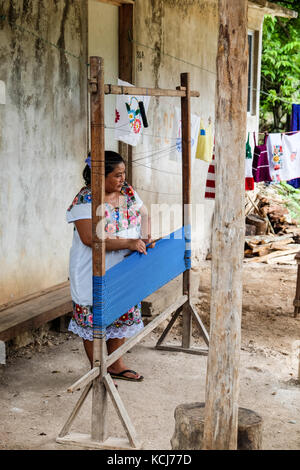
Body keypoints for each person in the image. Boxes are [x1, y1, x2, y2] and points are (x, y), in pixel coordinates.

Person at [66, 151, 155, 382]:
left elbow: (144, 213)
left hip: (123, 267)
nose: (122, 179)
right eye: (117, 175)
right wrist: (128, 242)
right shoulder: (86, 199)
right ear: (99, 176)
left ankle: (115, 364)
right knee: (94, 318)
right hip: (92, 269)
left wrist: (145, 237)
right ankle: (97, 370)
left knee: (121, 312)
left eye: (123, 173)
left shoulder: (127, 192)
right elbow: (90, 238)